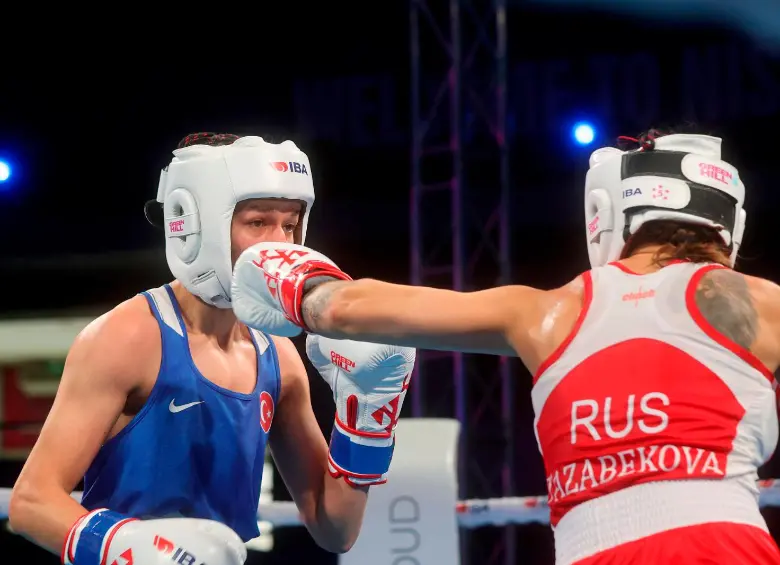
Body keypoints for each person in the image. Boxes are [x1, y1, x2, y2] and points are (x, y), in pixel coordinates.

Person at [231, 131, 780, 564]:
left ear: (608, 214)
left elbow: (340, 309)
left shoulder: (544, 312)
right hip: (725, 547)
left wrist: (285, 272)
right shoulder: (759, 304)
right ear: (729, 224)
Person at [8, 133, 416, 565]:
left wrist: (367, 420)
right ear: (194, 223)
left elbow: (336, 530)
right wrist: (129, 548)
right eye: (258, 222)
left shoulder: (278, 357)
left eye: (290, 224)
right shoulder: (128, 338)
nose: (279, 244)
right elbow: (31, 503)